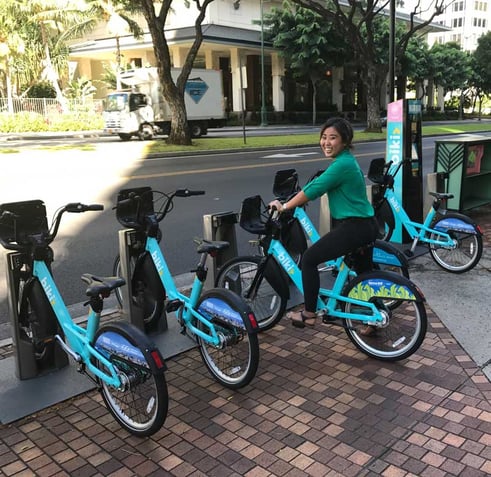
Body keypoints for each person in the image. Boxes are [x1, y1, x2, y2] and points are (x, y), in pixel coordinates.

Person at [269, 117, 378, 332]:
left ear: (345, 141)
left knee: (309, 259)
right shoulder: (345, 161)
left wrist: (284, 206)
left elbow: (314, 189)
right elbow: (319, 184)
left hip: (354, 227)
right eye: (324, 137)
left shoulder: (342, 165)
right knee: (364, 275)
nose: (326, 142)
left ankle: (309, 314)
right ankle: (373, 318)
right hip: (366, 225)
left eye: (333, 138)